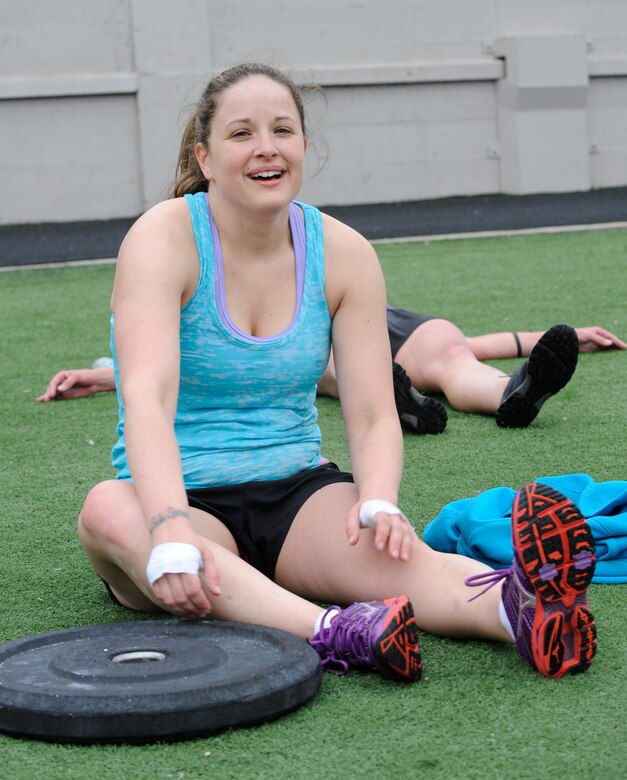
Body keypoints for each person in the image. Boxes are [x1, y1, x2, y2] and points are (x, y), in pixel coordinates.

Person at [74, 63, 597, 681]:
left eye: (282, 130)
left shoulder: (344, 253)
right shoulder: (163, 238)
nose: (266, 147)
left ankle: (521, 610)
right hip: (178, 497)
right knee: (107, 509)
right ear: (205, 157)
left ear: (303, 145)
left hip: (297, 494)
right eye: (241, 133)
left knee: (403, 558)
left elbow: (374, 413)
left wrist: (377, 499)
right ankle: (333, 631)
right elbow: (147, 399)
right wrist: (168, 528)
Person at [37, 318, 626, 436]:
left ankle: (514, 390)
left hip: (389, 343)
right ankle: (495, 392)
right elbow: (187, 360)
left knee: (449, 345)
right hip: (357, 347)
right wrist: (107, 376)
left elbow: (475, 342)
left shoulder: (341, 286)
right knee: (448, 351)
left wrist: (550, 340)